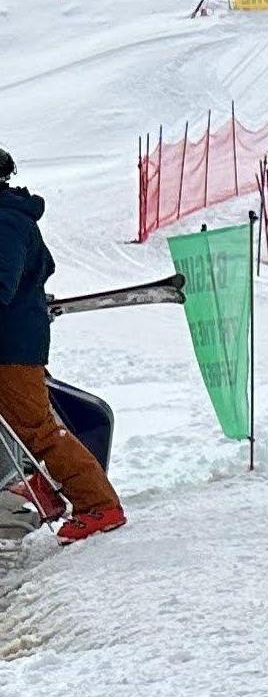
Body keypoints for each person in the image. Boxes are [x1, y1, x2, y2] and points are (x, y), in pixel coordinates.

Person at [0, 150, 126, 544]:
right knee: (23, 430)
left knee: (36, 429)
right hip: (14, 341)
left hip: (12, 347)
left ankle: (98, 504)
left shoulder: (6, 222)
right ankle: (51, 490)